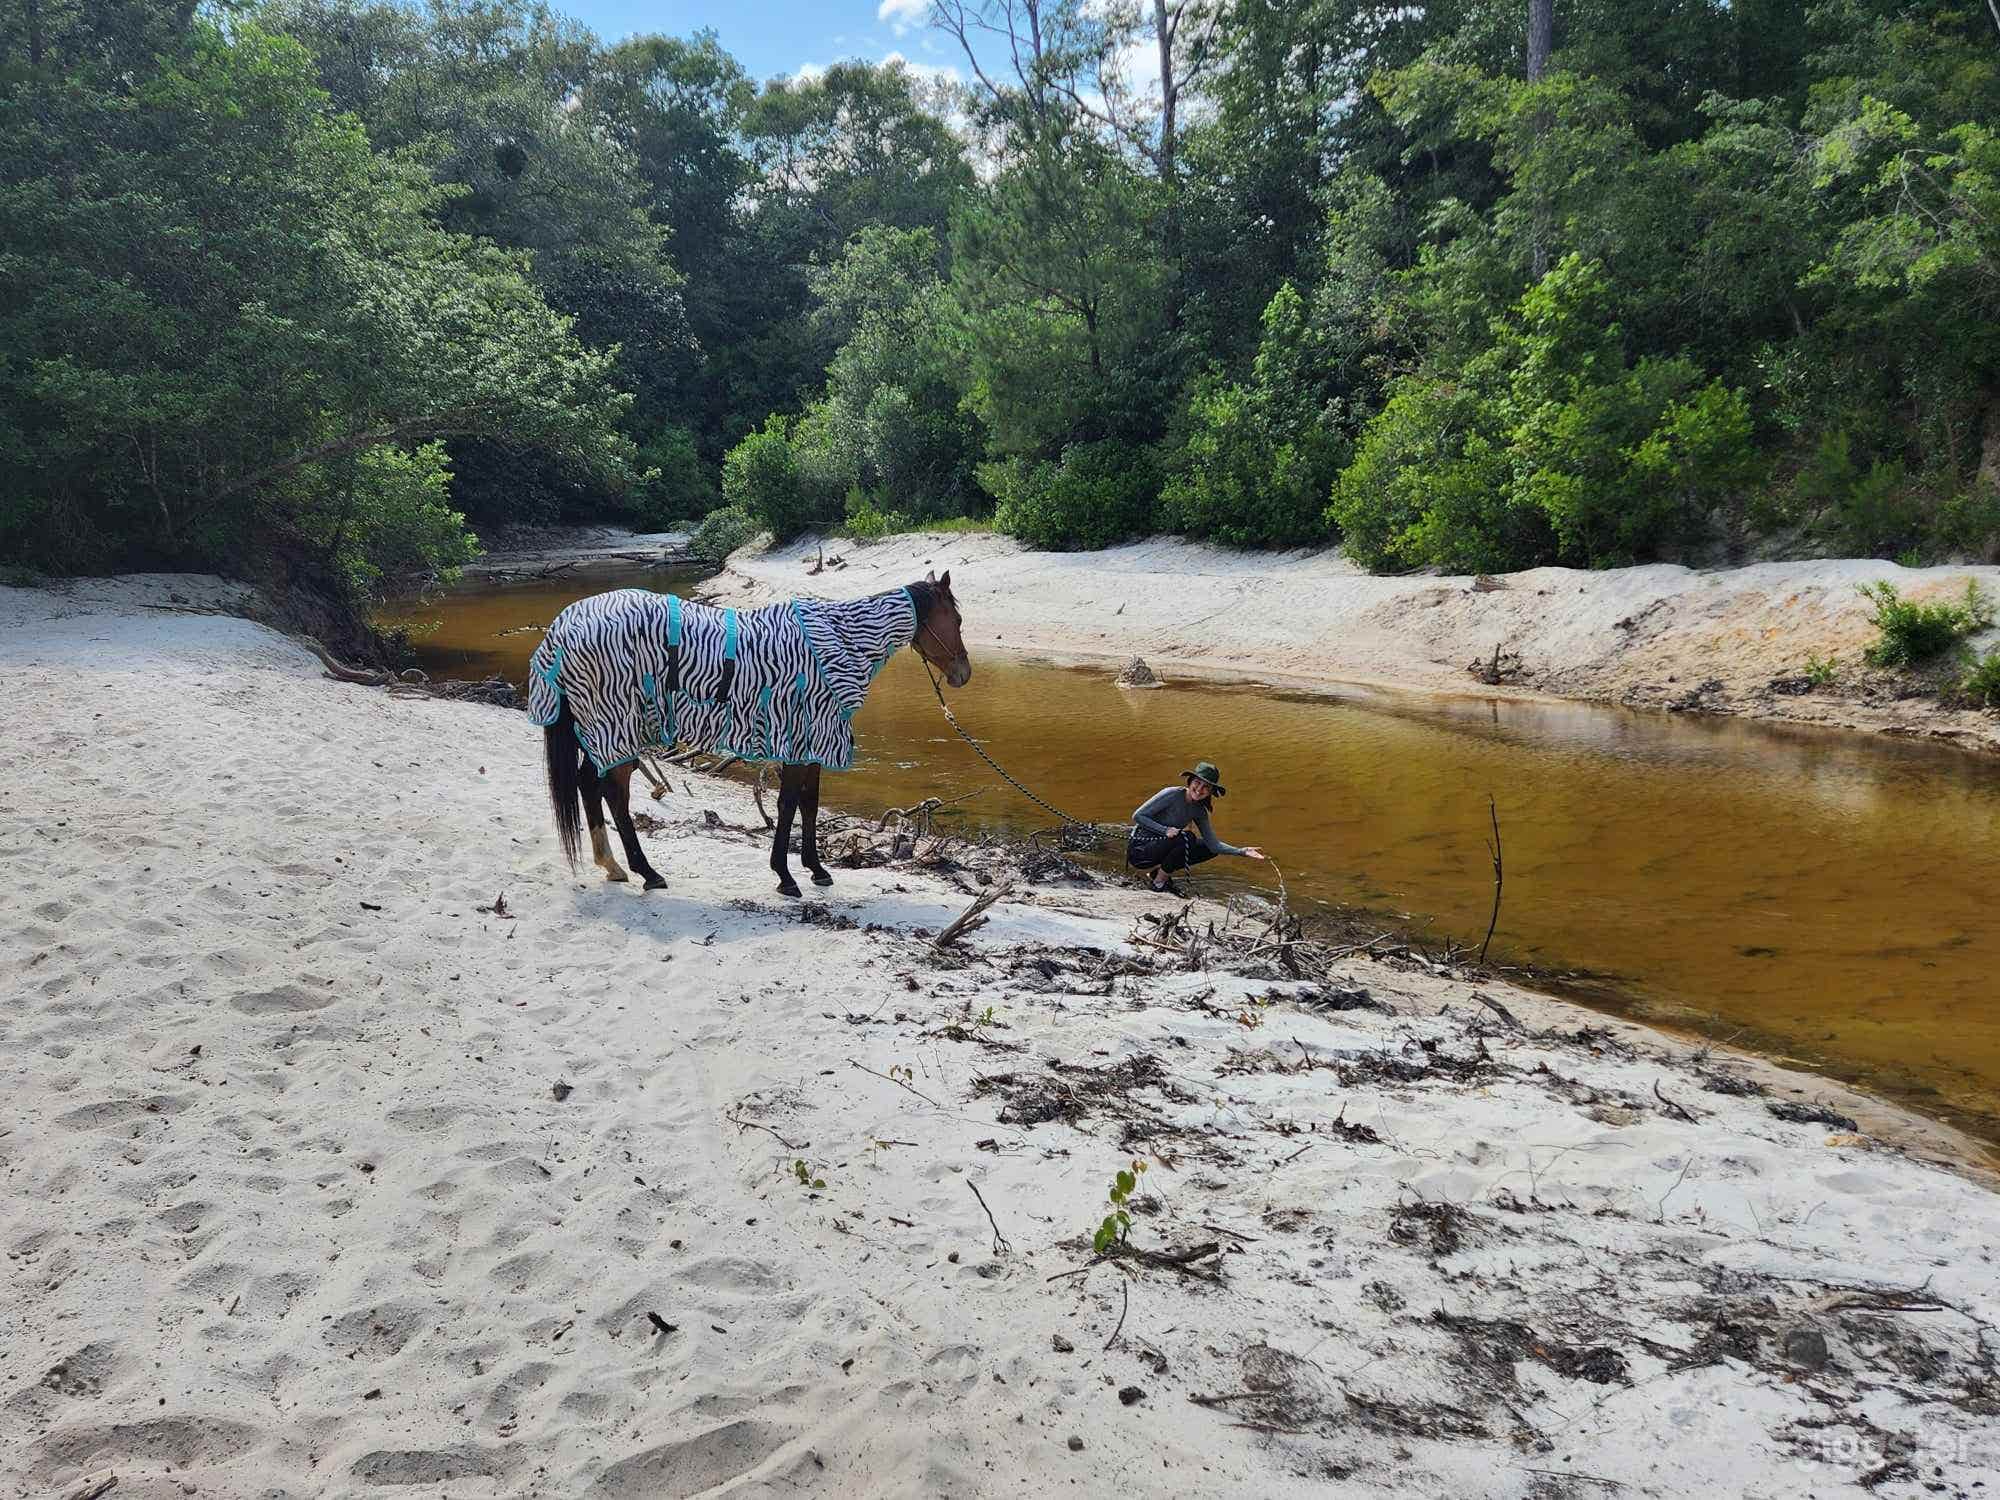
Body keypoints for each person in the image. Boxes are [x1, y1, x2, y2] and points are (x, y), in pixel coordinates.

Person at [1126, 760, 1266, 893]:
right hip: (1140, 851)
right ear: (1190, 781)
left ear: (1211, 791)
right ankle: (1158, 883)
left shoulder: (1199, 811)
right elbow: (1138, 816)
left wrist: (1241, 851)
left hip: (1160, 848)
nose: (1199, 789)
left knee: (1208, 849)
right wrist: (1165, 830)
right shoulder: (1172, 794)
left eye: (1206, 787)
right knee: (1188, 837)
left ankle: (1159, 872)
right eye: (1197, 783)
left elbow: (1214, 845)